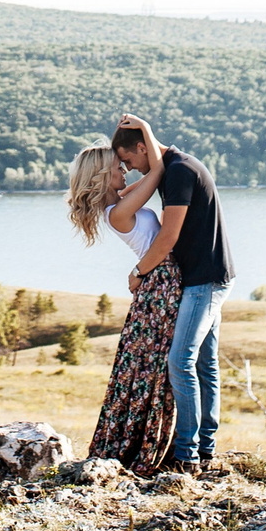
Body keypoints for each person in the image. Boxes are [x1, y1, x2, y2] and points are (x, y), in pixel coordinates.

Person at [112, 112, 233, 472]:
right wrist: (147, 137)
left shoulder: (180, 172)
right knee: (204, 365)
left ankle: (187, 456)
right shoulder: (173, 168)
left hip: (202, 280)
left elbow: (168, 237)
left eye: (129, 160)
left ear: (139, 147)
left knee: (180, 361)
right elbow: (127, 190)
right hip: (209, 275)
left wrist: (139, 272)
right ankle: (205, 451)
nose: (130, 169)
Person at [65, 140, 177, 473]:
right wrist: (146, 130)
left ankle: (141, 440)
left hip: (158, 282)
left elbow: (150, 176)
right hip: (161, 284)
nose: (124, 169)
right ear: (102, 175)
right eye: (117, 166)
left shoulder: (121, 203)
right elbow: (158, 170)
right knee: (155, 367)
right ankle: (145, 445)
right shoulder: (119, 212)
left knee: (147, 366)